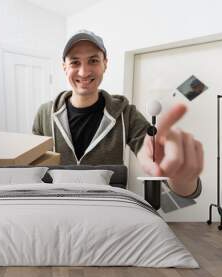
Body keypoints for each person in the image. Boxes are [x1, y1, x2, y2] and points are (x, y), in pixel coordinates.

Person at [32, 30, 203, 198]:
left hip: (108, 211)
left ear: (105, 64)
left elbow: (155, 156)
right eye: (75, 62)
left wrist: (179, 174)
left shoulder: (126, 114)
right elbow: (32, 170)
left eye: (93, 60)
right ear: (64, 67)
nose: (84, 72)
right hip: (57, 208)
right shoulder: (45, 113)